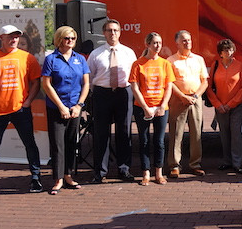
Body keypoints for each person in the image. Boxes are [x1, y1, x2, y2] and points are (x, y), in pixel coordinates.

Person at [0, 25, 43, 198]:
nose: (14, 40)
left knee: (30, 144)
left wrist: (27, 102)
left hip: (21, 109)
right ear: (1, 38)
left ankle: (35, 178)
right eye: (10, 37)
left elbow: (36, 82)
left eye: (17, 37)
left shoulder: (28, 58)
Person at [86, 19, 138, 184]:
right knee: (101, 134)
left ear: (120, 32)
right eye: (109, 30)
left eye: (115, 30)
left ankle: (124, 169)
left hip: (124, 93)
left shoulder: (129, 53)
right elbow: (90, 76)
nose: (112, 33)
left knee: (124, 132)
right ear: (104, 33)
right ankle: (100, 172)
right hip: (102, 94)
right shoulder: (96, 54)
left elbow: (134, 76)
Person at [40, 26, 90, 195]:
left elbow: (86, 84)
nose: (70, 41)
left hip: (75, 108)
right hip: (56, 108)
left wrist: (79, 106)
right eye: (67, 38)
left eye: (73, 38)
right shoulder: (51, 59)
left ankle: (68, 175)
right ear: (59, 39)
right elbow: (46, 84)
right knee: (57, 144)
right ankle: (58, 179)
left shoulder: (80, 59)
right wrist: (61, 106)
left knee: (71, 143)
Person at [129, 32, 175, 186]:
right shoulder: (138, 64)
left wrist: (162, 105)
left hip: (161, 108)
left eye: (160, 43)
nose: (157, 46)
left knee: (160, 141)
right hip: (143, 108)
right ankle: (146, 173)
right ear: (147, 44)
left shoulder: (165, 64)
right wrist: (145, 107)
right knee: (144, 141)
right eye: (154, 43)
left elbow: (169, 87)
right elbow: (134, 88)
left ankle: (159, 173)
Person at [167, 30, 208, 178]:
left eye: (189, 40)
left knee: (196, 133)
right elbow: (170, 83)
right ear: (177, 42)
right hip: (178, 100)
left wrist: (196, 96)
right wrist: (183, 96)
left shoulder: (199, 59)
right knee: (176, 133)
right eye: (184, 40)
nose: (187, 42)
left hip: (195, 99)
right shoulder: (171, 61)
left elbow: (205, 81)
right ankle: (174, 165)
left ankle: (195, 164)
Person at [206, 39, 242, 174]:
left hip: (236, 106)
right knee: (224, 134)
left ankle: (237, 163)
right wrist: (218, 104)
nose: (227, 52)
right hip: (220, 107)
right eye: (224, 50)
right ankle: (226, 161)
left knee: (235, 134)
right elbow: (209, 87)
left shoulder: (239, 65)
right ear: (220, 53)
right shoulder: (215, 65)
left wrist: (230, 105)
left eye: (230, 49)